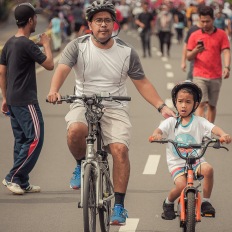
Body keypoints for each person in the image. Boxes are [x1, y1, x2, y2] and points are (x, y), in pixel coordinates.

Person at [46, 0, 175, 226]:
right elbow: (62, 69)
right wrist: (54, 91)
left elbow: (141, 82)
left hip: (115, 105)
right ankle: (79, 165)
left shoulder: (126, 51)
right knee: (75, 130)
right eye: (98, 21)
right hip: (83, 101)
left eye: (107, 20)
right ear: (90, 24)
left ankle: (119, 206)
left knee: (120, 150)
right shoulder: (77, 46)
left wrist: (161, 106)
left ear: (114, 24)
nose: (103, 25)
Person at [151, 80, 231, 220]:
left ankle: (206, 202)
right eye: (180, 101)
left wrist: (222, 134)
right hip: (177, 163)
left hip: (196, 160)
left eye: (188, 102)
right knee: (181, 184)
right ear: (175, 102)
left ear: (195, 105)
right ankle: (168, 203)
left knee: (208, 170)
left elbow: (213, 128)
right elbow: (160, 129)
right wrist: (157, 134)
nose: (183, 105)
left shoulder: (199, 121)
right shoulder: (172, 121)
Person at [0, 3, 54, 195]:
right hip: (26, 101)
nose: (36, 21)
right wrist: (47, 45)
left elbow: (2, 71)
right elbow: (49, 65)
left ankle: (22, 182)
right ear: (31, 20)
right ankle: (12, 177)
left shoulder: (10, 43)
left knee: (22, 140)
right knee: (35, 139)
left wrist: (4, 97)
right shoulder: (27, 44)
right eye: (35, 18)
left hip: (13, 99)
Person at [186, 5, 231, 123]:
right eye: (202, 21)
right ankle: (201, 131)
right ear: (199, 20)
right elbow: (189, 57)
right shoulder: (194, 35)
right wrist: (196, 50)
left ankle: (209, 130)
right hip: (199, 75)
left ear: (213, 19)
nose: (205, 24)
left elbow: (226, 50)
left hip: (215, 75)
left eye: (207, 21)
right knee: (201, 103)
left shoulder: (221, 34)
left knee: (212, 105)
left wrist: (227, 67)